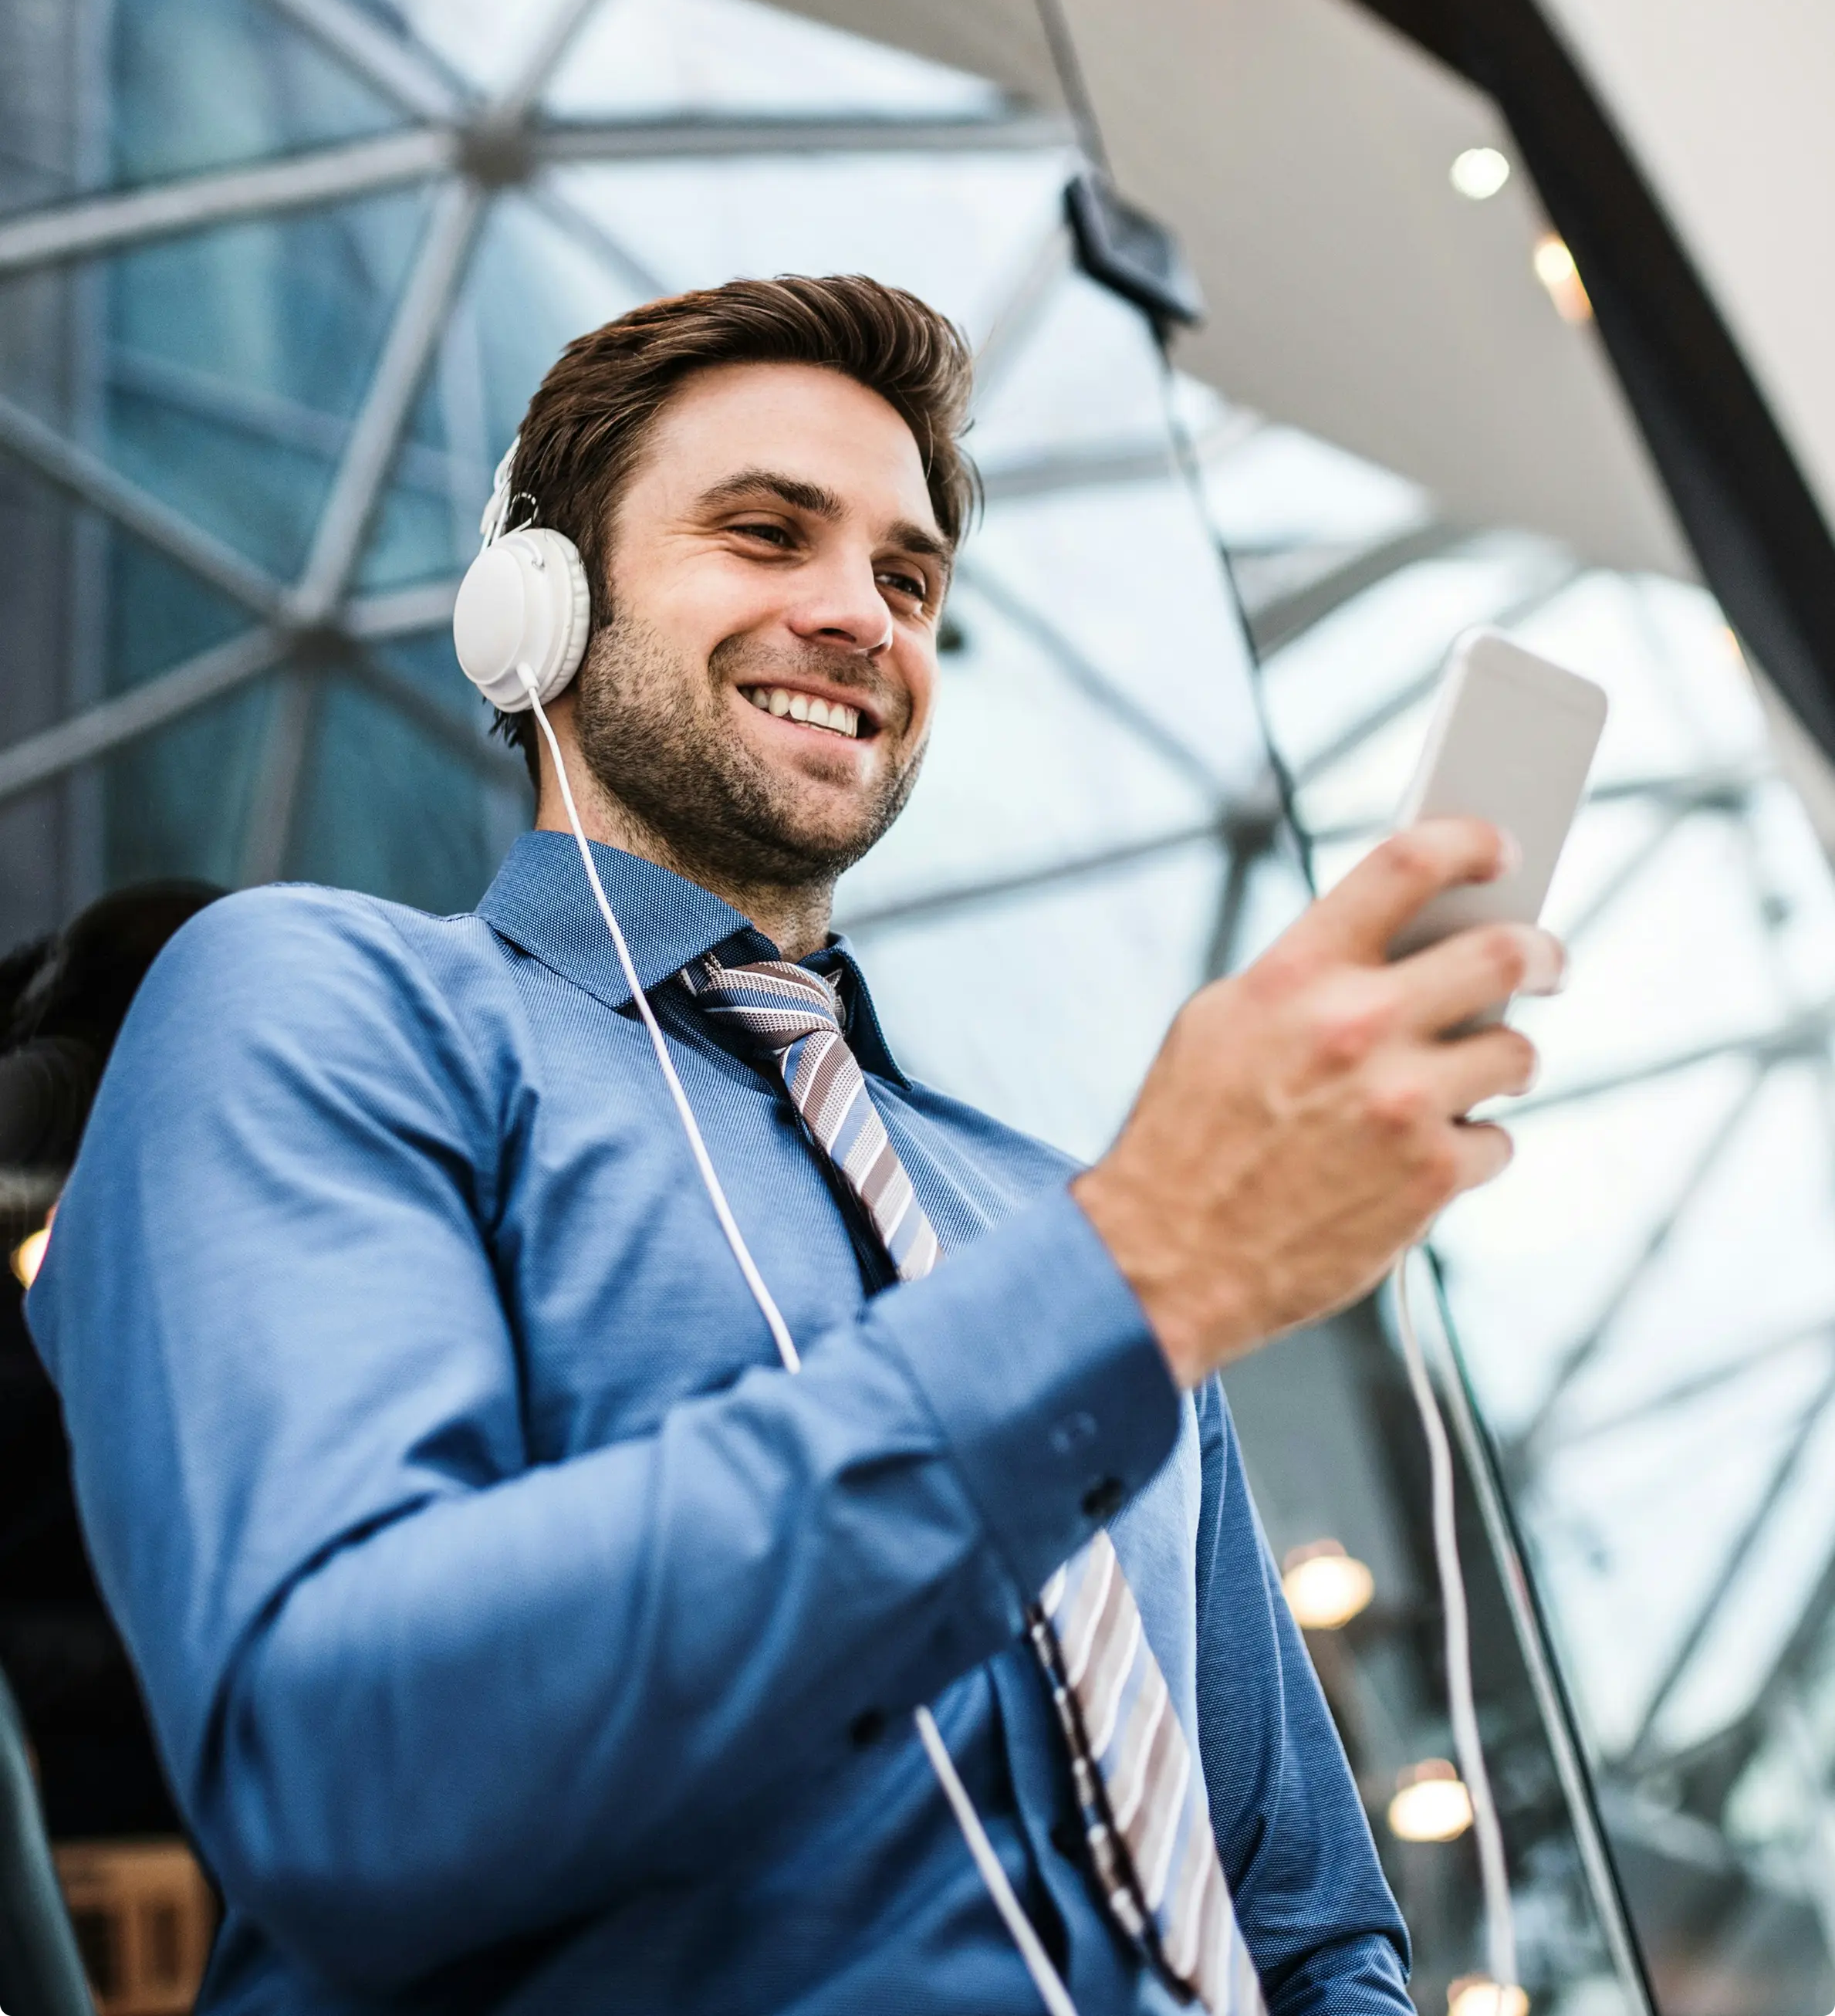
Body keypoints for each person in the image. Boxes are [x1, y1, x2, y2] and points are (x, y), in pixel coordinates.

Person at [28, 276, 1560, 2016]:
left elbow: (1303, 1920)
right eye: (766, 534)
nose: (861, 618)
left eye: (908, 579)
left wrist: (1121, 1272)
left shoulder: (1047, 1216)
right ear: (533, 604)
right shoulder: (324, 1006)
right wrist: (1132, 1278)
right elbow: (348, 1767)